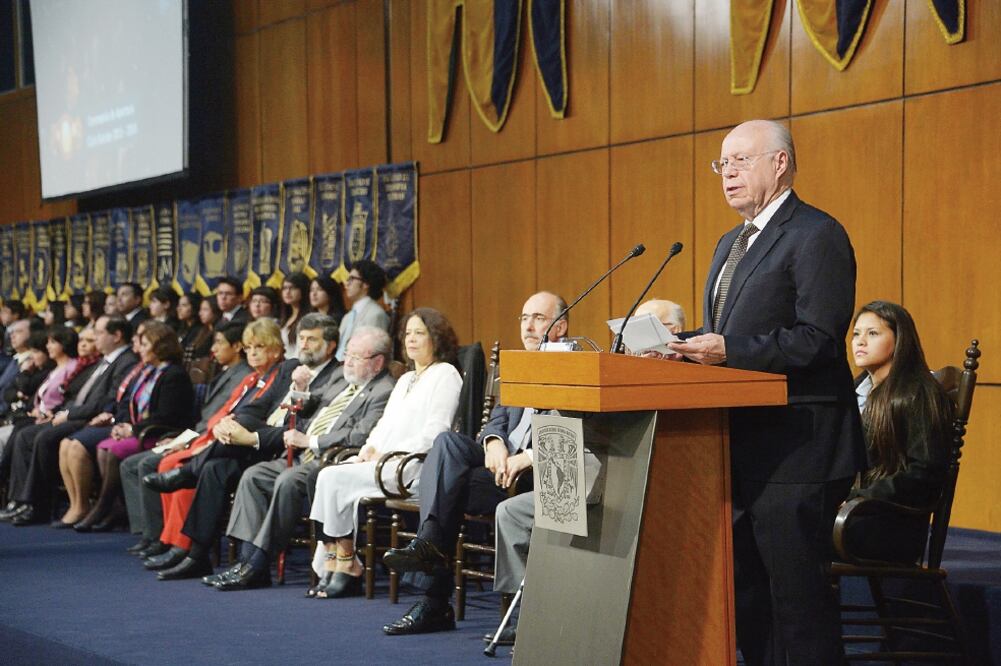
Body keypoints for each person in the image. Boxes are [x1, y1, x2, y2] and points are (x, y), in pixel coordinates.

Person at [668, 119, 864, 666]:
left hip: (799, 445)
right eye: (721, 164)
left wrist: (726, 350)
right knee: (749, 595)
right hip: (741, 442)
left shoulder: (817, 234)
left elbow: (818, 340)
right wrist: (678, 348)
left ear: (779, 163)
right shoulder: (731, 241)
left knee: (797, 602)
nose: (727, 172)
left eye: (740, 160)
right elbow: (731, 333)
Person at [382, 292, 567, 636]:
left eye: (539, 318)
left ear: (562, 325)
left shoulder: (572, 366)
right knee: (447, 444)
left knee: (445, 488)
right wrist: (494, 443)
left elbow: (570, 431)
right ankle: (431, 548)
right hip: (497, 469)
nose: (528, 325)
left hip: (532, 477)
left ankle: (433, 592)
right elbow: (496, 422)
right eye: (524, 317)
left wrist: (524, 457)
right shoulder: (518, 366)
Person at [143, 314, 341, 580]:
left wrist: (252, 437)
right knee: (215, 467)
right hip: (256, 446)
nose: (304, 344)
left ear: (330, 345)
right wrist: (231, 422)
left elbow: (302, 429)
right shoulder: (289, 367)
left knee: (226, 465)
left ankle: (189, 473)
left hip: (284, 447)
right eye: (301, 338)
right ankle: (196, 554)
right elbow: (259, 405)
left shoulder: (337, 376)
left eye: (312, 339)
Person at [209, 326, 396, 591]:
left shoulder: (384, 390)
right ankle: (246, 560)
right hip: (302, 455)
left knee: (287, 481)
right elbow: (312, 406)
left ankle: (258, 563)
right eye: (348, 354)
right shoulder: (344, 380)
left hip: (331, 462)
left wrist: (311, 441)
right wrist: (300, 390)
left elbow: (361, 435)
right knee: (254, 476)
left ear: (377, 362)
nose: (349, 361)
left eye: (357, 356)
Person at [309, 307, 462, 599]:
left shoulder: (446, 374)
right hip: (384, 460)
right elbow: (383, 424)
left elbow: (437, 433)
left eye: (420, 333)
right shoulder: (404, 379)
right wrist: (369, 448)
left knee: (333, 478)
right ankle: (337, 560)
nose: (412, 339)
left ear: (437, 338)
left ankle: (345, 563)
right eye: (408, 334)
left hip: (412, 467)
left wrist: (390, 454)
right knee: (326, 476)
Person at [136, 319, 285, 568]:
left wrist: (212, 437)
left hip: (256, 448)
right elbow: (222, 416)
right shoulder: (249, 381)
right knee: (200, 466)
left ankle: (182, 542)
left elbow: (256, 418)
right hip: (225, 443)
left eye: (260, 346)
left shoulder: (281, 375)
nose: (253, 352)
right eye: (249, 347)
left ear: (276, 349)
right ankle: (188, 550)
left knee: (183, 465)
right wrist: (206, 437)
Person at [121, 320, 253, 555]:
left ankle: (165, 539)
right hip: (196, 432)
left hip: (210, 437)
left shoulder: (244, 375)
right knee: (132, 465)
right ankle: (152, 534)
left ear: (236, 347)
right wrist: (181, 438)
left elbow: (224, 419)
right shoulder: (226, 372)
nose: (213, 349)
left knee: (149, 464)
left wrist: (188, 440)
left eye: (219, 343)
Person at [843, 301, 953, 563]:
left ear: (899, 339)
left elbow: (924, 472)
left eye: (873, 333)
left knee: (799, 536)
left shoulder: (917, 393)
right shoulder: (857, 390)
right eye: (856, 334)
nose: (860, 342)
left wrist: (858, 498)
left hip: (890, 523)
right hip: (857, 513)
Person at [5, 317, 138, 527]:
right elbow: (76, 395)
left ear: (117, 336)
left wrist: (67, 414)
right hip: (79, 413)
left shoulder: (126, 361)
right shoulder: (104, 361)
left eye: (99, 333)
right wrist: (60, 412)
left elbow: (107, 400)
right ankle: (24, 501)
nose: (94, 338)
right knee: (25, 434)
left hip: (91, 418)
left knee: (44, 437)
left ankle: (42, 505)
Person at [70, 321, 197, 531]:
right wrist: (124, 425)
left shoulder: (174, 375)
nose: (141, 348)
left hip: (162, 433)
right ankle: (116, 509)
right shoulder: (149, 372)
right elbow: (130, 404)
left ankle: (104, 507)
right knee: (106, 445)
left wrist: (133, 430)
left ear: (160, 347)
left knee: (114, 449)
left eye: (145, 344)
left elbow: (167, 416)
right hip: (142, 430)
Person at [3, 327, 99, 526]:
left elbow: (75, 400)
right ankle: (21, 500)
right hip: (59, 415)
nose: (47, 347)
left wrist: (55, 414)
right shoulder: (76, 368)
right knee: (23, 433)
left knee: (37, 436)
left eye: (52, 342)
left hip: (77, 418)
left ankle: (37, 503)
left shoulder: (76, 366)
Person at [336, 261, 388, 361]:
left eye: (352, 279)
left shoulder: (376, 314)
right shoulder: (347, 317)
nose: (347, 283)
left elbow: (372, 354)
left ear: (366, 284)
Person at [280, 272, 310, 358]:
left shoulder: (307, 318)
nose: (287, 292)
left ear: (303, 290)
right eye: (284, 288)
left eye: (292, 288)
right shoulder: (286, 317)